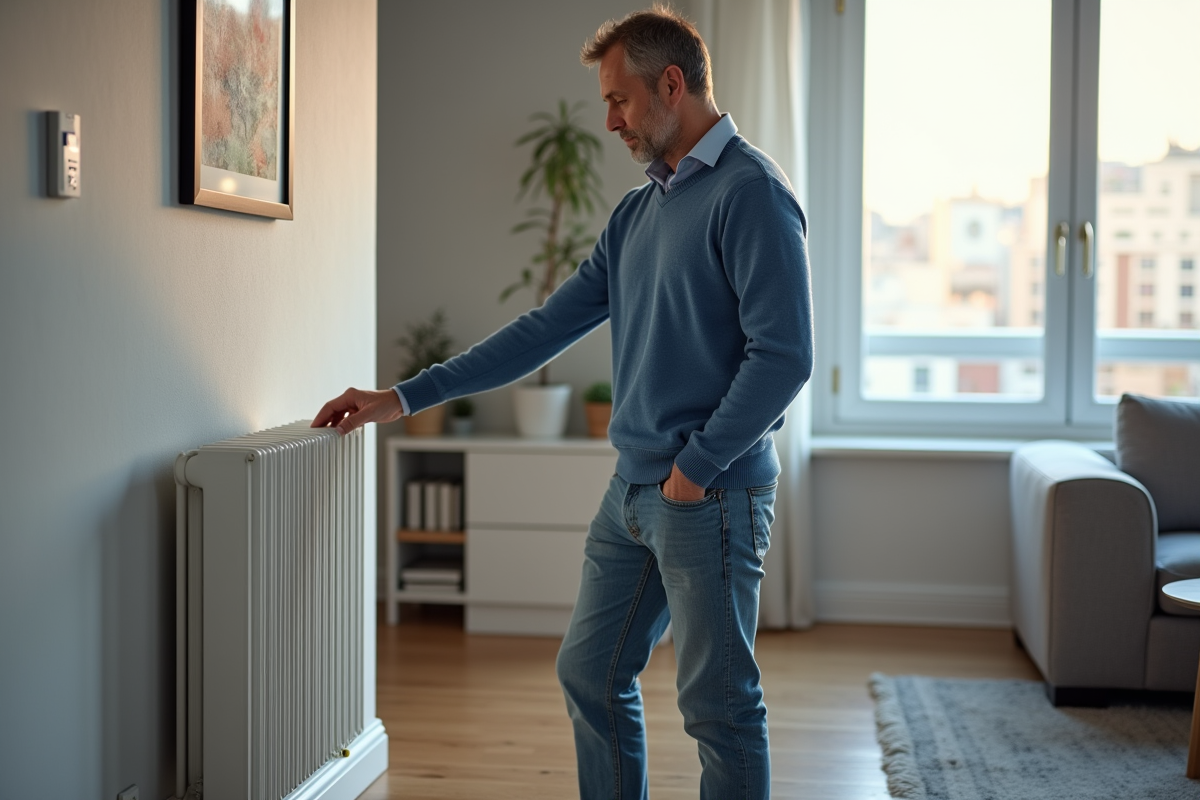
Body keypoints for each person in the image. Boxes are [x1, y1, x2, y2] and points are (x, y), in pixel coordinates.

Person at [313, 7, 812, 798]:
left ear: (671, 85)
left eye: (619, 99)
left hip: (707, 493)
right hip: (634, 491)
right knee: (590, 672)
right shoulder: (639, 211)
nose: (608, 119)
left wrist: (699, 465)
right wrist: (404, 396)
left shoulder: (751, 192)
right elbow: (542, 330)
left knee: (718, 708)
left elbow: (784, 355)